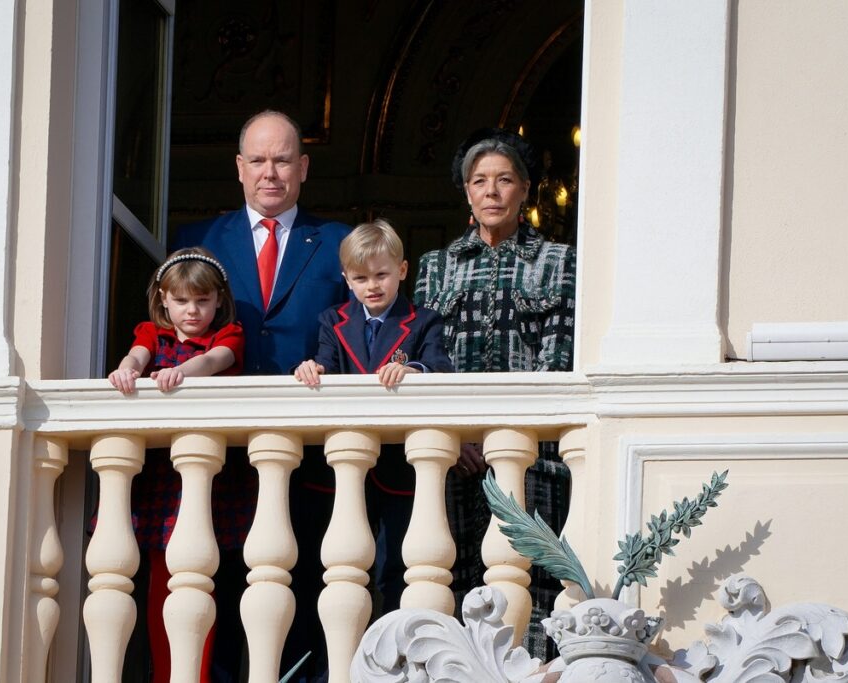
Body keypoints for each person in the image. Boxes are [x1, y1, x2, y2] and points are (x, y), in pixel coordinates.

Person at [172, 110, 352, 682]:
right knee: (217, 580)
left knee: (304, 579)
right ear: (239, 168)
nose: (269, 173)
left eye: (281, 160)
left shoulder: (340, 243)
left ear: (302, 167)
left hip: (310, 447)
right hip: (221, 448)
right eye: (258, 160)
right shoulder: (195, 240)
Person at [412, 129, 576, 661]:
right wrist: (455, 438)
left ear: (525, 188)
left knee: (535, 585)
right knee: (454, 581)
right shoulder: (436, 267)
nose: (492, 191)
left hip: (533, 462)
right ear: (466, 192)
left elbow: (559, 358)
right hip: (454, 461)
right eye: (480, 181)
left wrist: (514, 442)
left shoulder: (559, 262)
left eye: (505, 180)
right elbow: (419, 354)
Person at [294, 219, 454, 613]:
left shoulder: (425, 320)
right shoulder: (332, 321)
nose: (373, 285)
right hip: (348, 465)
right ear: (347, 279)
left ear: (401, 271)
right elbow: (326, 364)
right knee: (341, 565)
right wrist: (312, 369)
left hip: (401, 467)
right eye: (361, 277)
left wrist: (415, 370)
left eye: (382, 274)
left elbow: (441, 366)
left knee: (396, 566)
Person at [107, 247, 244, 682]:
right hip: (160, 483)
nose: (192, 310)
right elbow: (136, 356)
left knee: (203, 584)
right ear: (164, 298)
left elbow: (213, 361)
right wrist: (126, 370)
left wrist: (184, 371)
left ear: (218, 301)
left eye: (202, 301)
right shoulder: (152, 333)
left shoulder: (229, 335)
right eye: (182, 301)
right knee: (157, 586)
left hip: (210, 484)